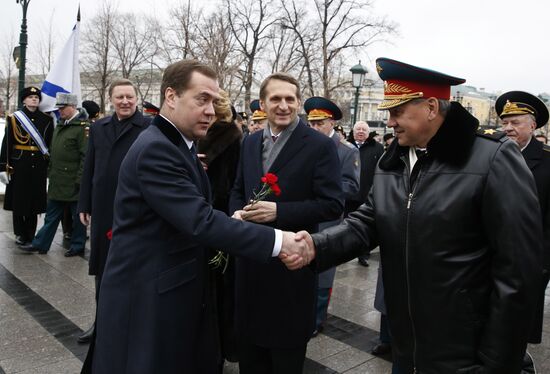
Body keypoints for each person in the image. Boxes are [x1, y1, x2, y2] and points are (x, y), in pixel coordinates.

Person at [291, 57, 543, 374]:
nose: (390, 121)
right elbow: (367, 222)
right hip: (407, 344)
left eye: (398, 111)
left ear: (431, 108)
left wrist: (497, 362)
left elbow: (518, 271)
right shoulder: (391, 160)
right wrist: (315, 245)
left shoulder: (492, 157)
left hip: (466, 350)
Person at [84, 60, 310, 374]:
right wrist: (279, 240)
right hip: (147, 300)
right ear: (171, 97)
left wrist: (234, 222)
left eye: (215, 102)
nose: (211, 111)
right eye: (201, 100)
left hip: (167, 291)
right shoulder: (157, 149)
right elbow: (200, 221)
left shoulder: (180, 145)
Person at [229, 73, 343, 374]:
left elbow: (332, 204)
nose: (283, 105)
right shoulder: (250, 142)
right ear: (264, 103)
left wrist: (279, 212)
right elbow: (238, 189)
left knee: (285, 358)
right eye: (275, 99)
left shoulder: (320, 146)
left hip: (290, 268)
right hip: (250, 264)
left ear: (298, 103)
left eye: (289, 99)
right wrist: (237, 214)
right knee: (251, 359)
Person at [77, 79, 151, 344]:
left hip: (134, 209)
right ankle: (101, 323)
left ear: (137, 98)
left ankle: (130, 324)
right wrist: (84, 202)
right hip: (103, 206)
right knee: (102, 268)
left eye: (129, 97)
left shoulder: (149, 128)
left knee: (131, 268)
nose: (125, 102)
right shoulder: (99, 127)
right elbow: (90, 167)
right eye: (119, 97)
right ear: (111, 99)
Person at [496, 90, 550, 371]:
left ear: (533, 125)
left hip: (528, 260)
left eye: (515, 122)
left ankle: (519, 361)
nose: (508, 128)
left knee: (520, 320)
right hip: (490, 254)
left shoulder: (548, 162)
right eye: (505, 122)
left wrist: (543, 265)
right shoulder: (491, 152)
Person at [304, 96, 360, 336]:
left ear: (332, 123)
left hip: (328, 218)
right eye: (312, 123)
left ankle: (316, 319)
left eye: (320, 123)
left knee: (323, 272)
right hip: (304, 215)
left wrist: (325, 190)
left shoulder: (347, 151)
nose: (315, 128)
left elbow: (353, 186)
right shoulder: (304, 145)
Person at [197, 89, 243, 366]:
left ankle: (221, 346)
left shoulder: (229, 136)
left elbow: (231, 181)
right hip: (206, 210)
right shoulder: (198, 134)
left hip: (218, 212)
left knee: (219, 286)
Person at [20, 93, 89, 257]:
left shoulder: (82, 128)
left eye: (63, 108)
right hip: (58, 180)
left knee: (77, 218)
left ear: (73, 107)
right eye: (58, 108)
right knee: (51, 216)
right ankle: (40, 244)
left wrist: (80, 180)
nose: (60, 111)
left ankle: (78, 245)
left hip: (74, 182)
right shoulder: (60, 125)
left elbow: (85, 156)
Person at [0, 86, 53, 247]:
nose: (34, 99)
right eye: (30, 97)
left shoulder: (47, 119)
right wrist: (2, 166)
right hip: (19, 164)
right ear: (24, 100)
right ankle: (20, 233)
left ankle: (30, 232)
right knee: (19, 200)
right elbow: (6, 144)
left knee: (34, 200)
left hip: (38, 164)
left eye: (36, 97)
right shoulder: (15, 118)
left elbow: (50, 144)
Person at [348, 120, 384, 266]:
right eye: (358, 129)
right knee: (346, 224)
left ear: (368, 133)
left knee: (364, 227)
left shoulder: (377, 148)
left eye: (364, 129)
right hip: (348, 195)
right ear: (353, 131)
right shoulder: (346, 146)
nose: (361, 132)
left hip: (366, 194)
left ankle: (363, 254)